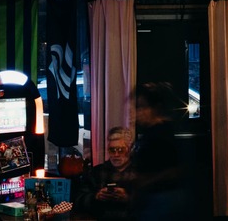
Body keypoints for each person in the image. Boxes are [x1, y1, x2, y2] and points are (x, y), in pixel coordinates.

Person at [131, 82, 195, 220]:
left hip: (163, 199)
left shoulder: (162, 133)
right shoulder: (151, 133)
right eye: (136, 108)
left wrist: (142, 181)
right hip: (156, 198)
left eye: (142, 107)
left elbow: (174, 171)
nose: (138, 113)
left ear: (156, 108)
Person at [74, 127, 135, 221]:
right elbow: (78, 201)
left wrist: (128, 198)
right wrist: (96, 197)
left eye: (120, 150)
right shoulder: (95, 172)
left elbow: (151, 203)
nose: (116, 154)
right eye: (112, 150)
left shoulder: (139, 172)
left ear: (129, 150)